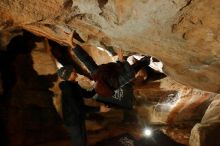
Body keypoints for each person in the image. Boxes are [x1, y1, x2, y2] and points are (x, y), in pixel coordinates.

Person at [57, 66, 110, 146]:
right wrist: (99, 109)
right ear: (67, 75)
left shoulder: (73, 85)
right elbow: (78, 108)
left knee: (82, 140)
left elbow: (87, 94)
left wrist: (97, 86)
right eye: (72, 71)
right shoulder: (68, 88)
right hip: (73, 120)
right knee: (79, 142)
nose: (75, 71)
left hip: (77, 117)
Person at [72, 44, 151, 97]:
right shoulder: (116, 82)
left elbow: (86, 60)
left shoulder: (96, 74)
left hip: (114, 69)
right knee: (131, 69)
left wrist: (73, 46)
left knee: (128, 67)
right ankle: (146, 61)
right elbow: (130, 74)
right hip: (119, 71)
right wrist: (122, 60)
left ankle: (144, 61)